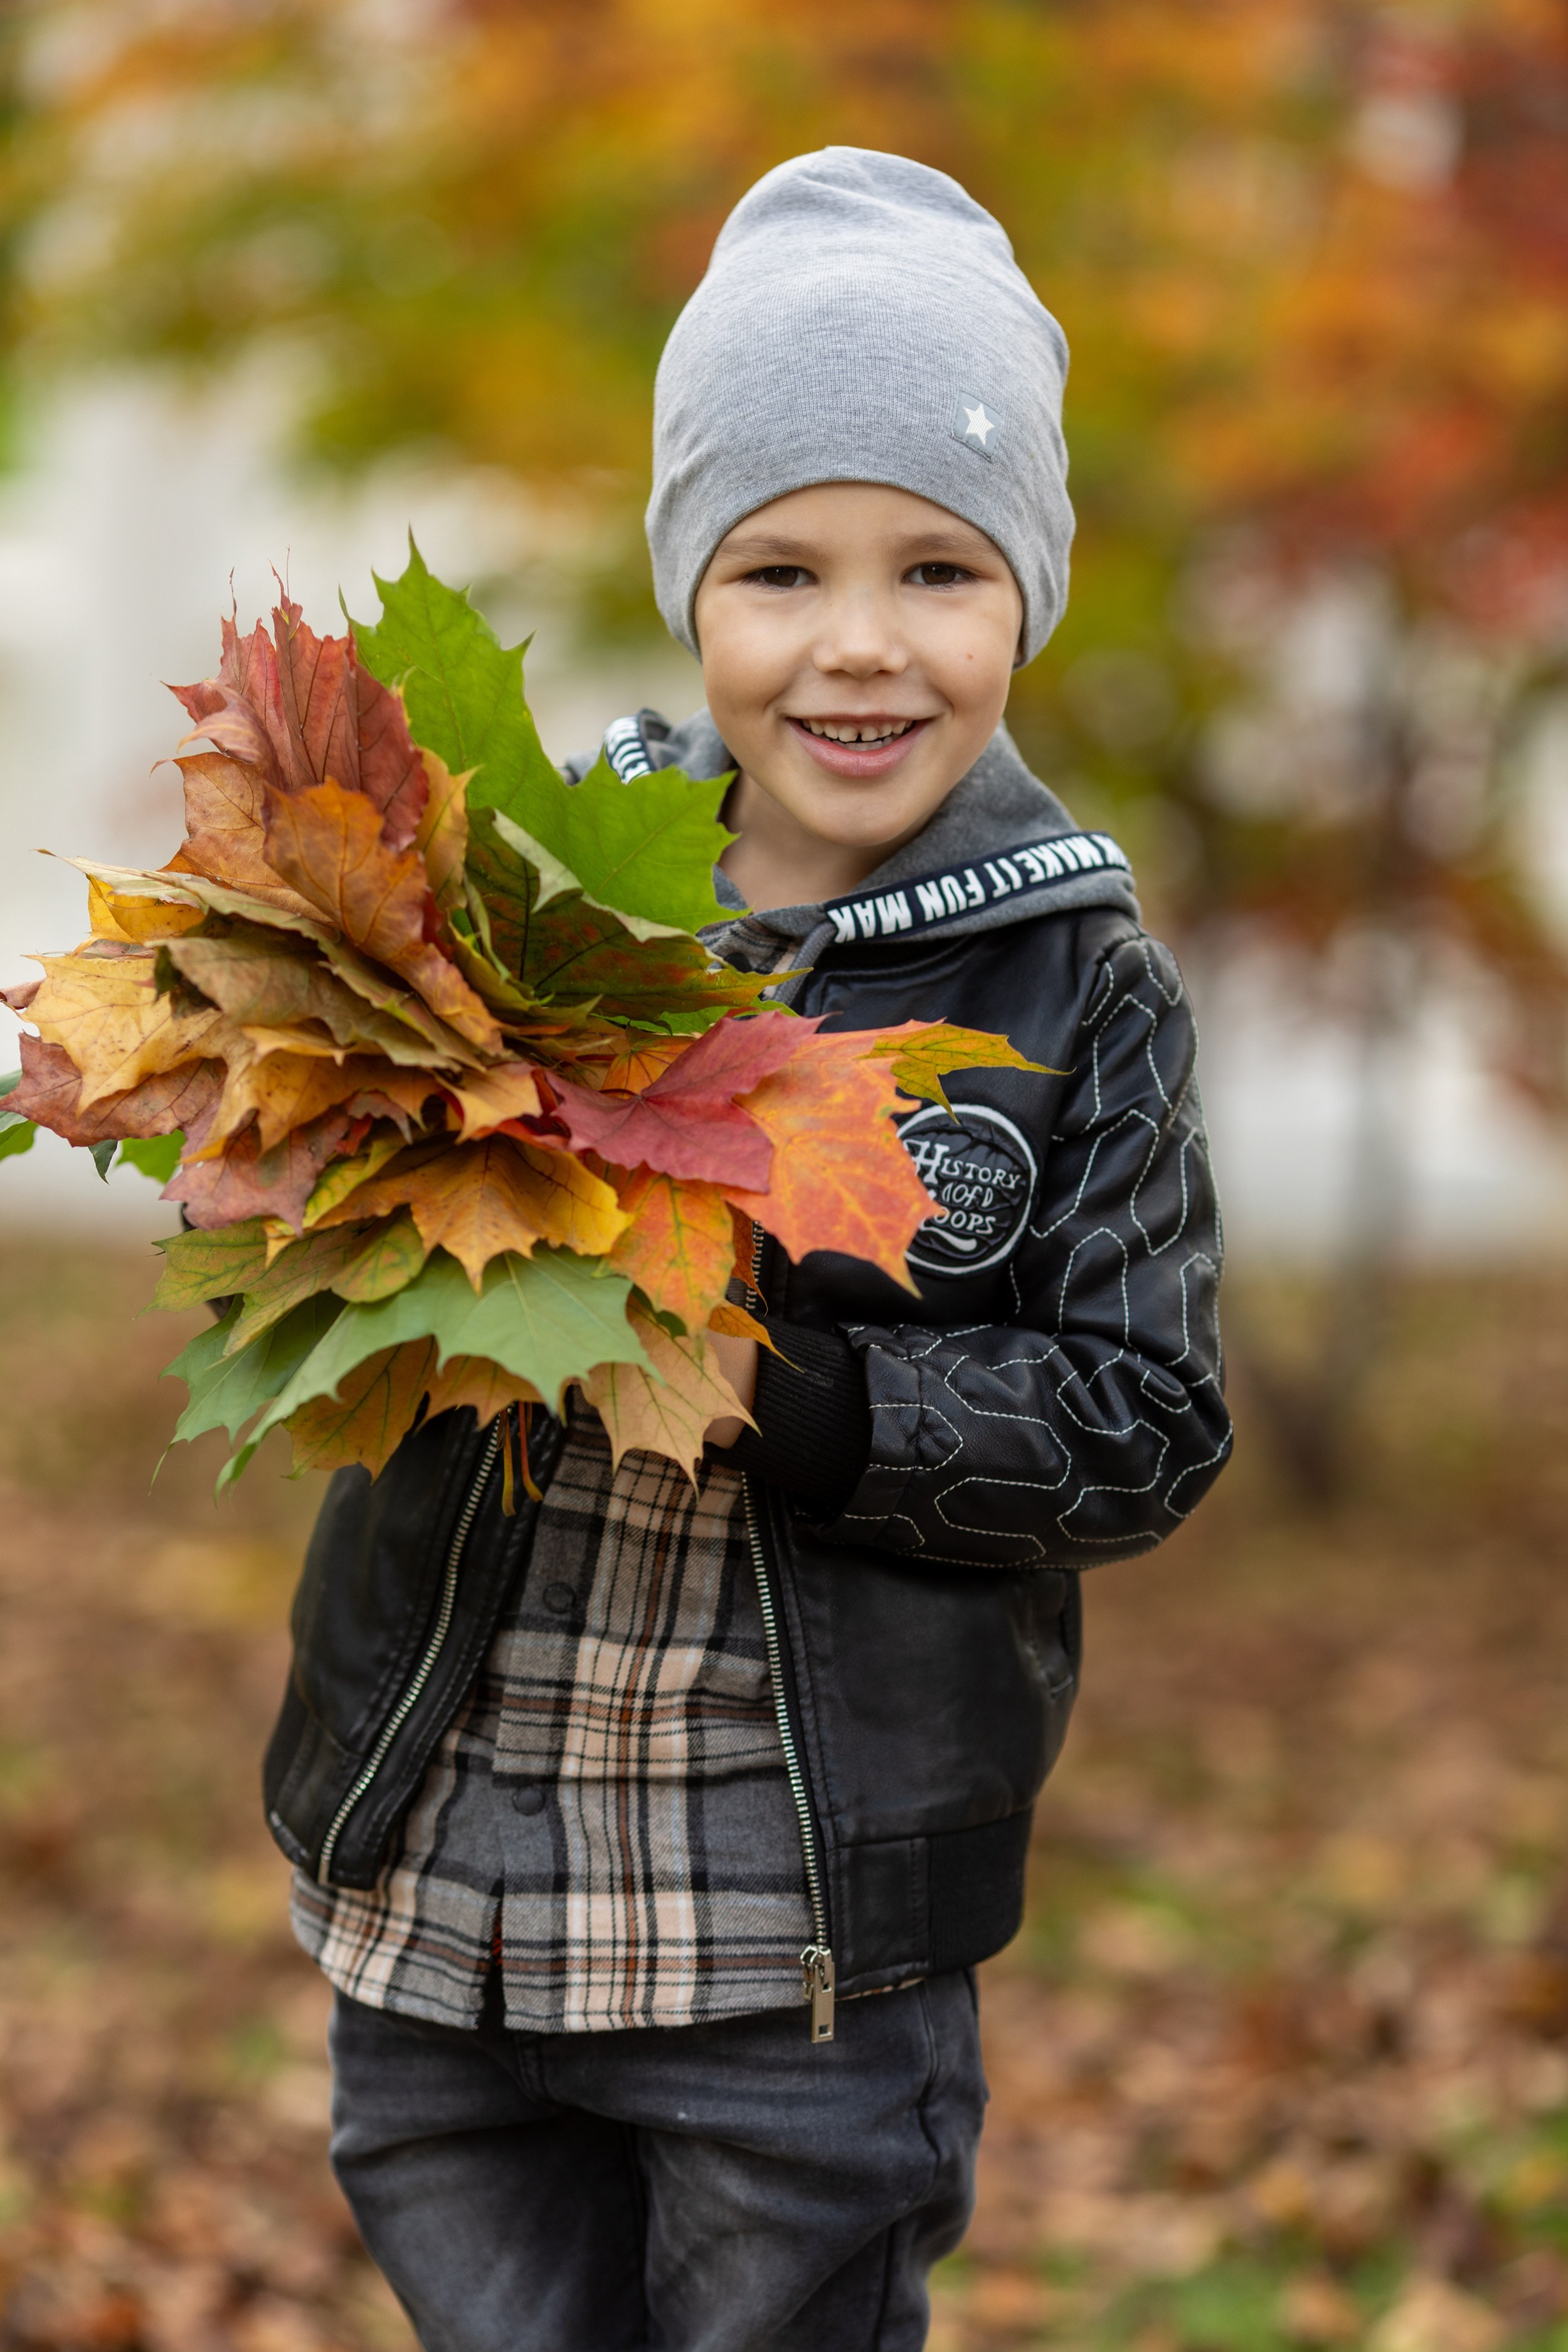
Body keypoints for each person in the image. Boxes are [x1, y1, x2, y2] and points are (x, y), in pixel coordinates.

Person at [263, 148, 1232, 2352]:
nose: (857, 642)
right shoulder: (523, 905)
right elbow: (339, 1246)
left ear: (1027, 600)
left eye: (938, 569)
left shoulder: (1079, 991)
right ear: (690, 588)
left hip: (789, 1945)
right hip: (446, 1893)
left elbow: (1142, 1420)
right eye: (780, 568)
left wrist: (789, 1400)